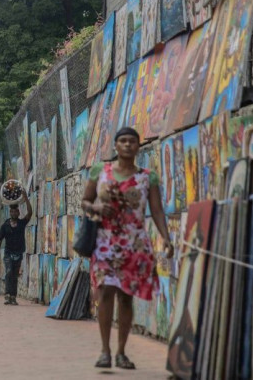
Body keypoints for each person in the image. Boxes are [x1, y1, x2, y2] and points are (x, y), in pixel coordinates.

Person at [81, 127, 174, 370]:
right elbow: (85, 201)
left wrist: (166, 238)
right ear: (115, 145)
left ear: (138, 146)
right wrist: (98, 209)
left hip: (134, 245)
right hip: (104, 243)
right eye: (122, 141)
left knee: (125, 298)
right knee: (105, 293)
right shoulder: (100, 171)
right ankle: (105, 350)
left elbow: (156, 210)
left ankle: (121, 351)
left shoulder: (147, 177)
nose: (127, 145)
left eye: (132, 141)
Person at [0, 191, 32, 305]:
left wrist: (25, 198)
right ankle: (7, 294)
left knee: (14, 275)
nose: (14, 213)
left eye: (16, 211)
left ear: (18, 212)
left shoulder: (21, 223)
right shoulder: (5, 226)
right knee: (9, 271)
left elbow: (30, 212)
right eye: (12, 211)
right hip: (8, 253)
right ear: (10, 212)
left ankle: (13, 296)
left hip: (18, 253)